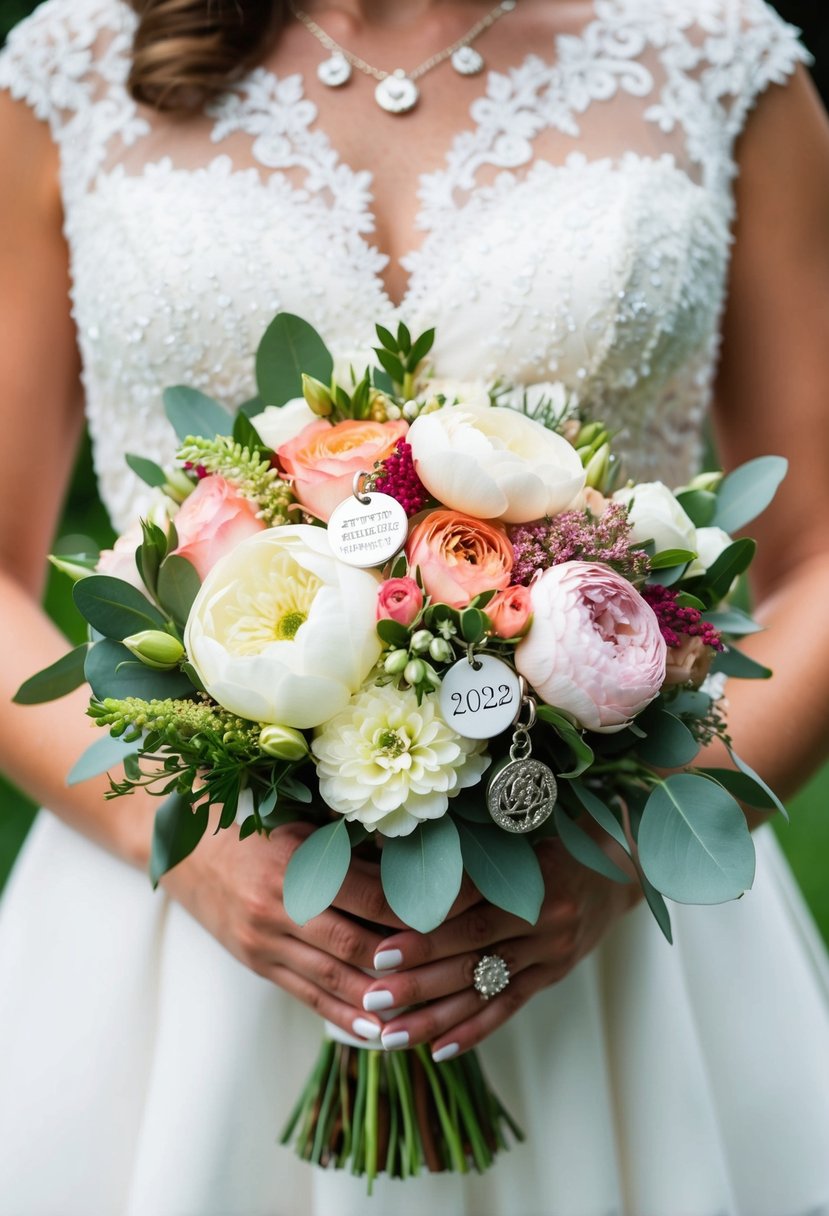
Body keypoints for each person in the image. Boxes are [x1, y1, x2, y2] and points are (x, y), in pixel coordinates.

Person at [1, 0, 829, 1212]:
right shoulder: (72, 66)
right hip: (184, 928)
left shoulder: (715, 54)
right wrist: (173, 839)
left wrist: (622, 845)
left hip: (599, 938)